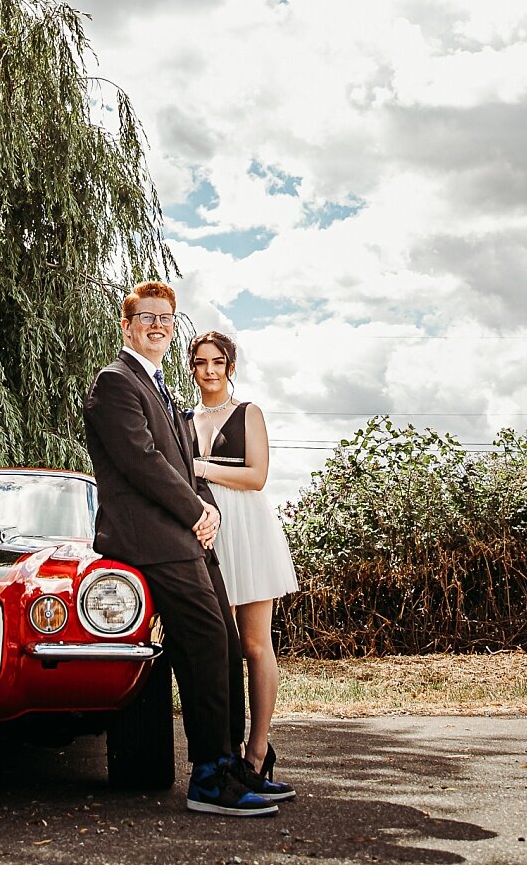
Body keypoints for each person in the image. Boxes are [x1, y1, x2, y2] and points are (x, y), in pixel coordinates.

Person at [81, 281, 290, 816]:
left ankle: (234, 768)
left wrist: (208, 511)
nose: (158, 325)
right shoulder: (115, 382)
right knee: (201, 645)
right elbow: (144, 462)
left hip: (185, 534)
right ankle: (208, 777)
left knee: (223, 643)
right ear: (126, 327)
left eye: (167, 319)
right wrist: (197, 510)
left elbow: (183, 463)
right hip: (148, 538)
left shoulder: (159, 386)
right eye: (147, 317)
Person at [188, 330, 300, 794]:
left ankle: (258, 751)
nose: (209, 371)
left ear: (230, 366)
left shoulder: (248, 413)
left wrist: (202, 467)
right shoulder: (182, 418)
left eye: (217, 362)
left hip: (249, 531)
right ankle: (226, 755)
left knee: (256, 645)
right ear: (192, 367)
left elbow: (256, 476)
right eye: (200, 362)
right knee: (221, 645)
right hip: (205, 529)